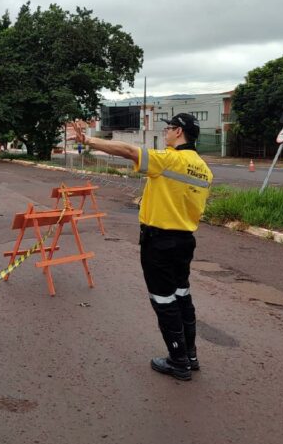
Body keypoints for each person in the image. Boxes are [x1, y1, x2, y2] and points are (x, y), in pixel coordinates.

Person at [76, 113, 213, 381]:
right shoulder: (205, 170)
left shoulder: (168, 160)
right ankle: (191, 355)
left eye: (169, 129)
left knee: (163, 300)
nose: (165, 133)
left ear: (179, 132)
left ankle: (178, 361)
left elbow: (128, 151)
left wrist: (88, 140)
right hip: (185, 240)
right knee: (182, 296)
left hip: (159, 241)